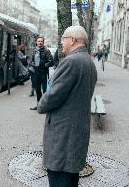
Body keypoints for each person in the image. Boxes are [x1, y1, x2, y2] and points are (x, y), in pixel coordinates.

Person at [37, 25, 97, 187]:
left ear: (72, 40)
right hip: (76, 133)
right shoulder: (88, 62)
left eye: (63, 38)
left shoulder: (71, 62)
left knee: (59, 179)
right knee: (71, 180)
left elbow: (53, 95)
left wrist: (40, 105)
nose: (62, 42)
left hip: (63, 136)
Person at [29, 37, 53, 109]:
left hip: (43, 72)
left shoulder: (46, 51)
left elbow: (51, 62)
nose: (40, 42)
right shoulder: (34, 51)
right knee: (38, 90)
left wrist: (45, 65)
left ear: (43, 42)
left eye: (41, 41)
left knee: (45, 90)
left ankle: (45, 106)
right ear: (36, 42)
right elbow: (31, 61)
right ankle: (39, 105)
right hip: (36, 73)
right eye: (39, 41)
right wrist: (33, 64)